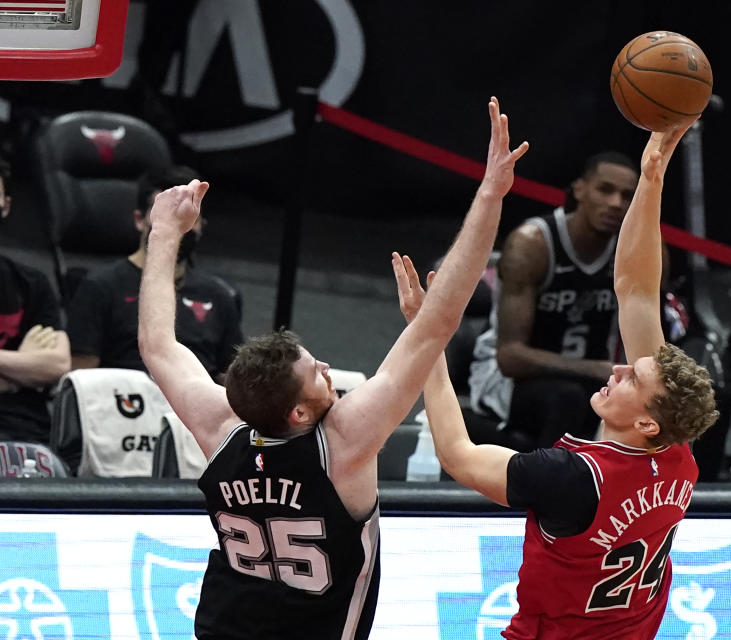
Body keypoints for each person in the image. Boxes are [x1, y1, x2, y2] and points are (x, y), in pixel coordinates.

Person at [137, 97, 528, 639]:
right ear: (298, 411)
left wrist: (162, 233)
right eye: (316, 372)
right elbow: (439, 322)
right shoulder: (342, 445)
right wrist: (489, 196)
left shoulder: (221, 431)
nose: (326, 366)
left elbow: (158, 345)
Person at [394, 124, 718, 639]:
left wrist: (427, 338)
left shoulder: (568, 477)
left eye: (633, 376)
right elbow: (636, 288)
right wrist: (652, 177)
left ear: (645, 421)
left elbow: (456, 454)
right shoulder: (679, 453)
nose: (617, 367)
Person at [468, 152, 639, 447]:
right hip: (505, 382)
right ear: (580, 190)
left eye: (626, 196)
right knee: (568, 398)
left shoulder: (635, 252)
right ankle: (549, 490)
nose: (615, 203)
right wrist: (596, 369)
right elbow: (510, 357)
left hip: (593, 379)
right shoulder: (532, 244)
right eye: (605, 190)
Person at [67, 165, 243, 381]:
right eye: (167, 215)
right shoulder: (100, 287)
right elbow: (81, 379)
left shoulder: (219, 296)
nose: (179, 226)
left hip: (194, 406)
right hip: (124, 403)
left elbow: (233, 379)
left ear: (201, 225)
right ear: (139, 220)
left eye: (189, 217)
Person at [0, 157, 71, 444]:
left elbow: (58, 364)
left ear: (5, 204)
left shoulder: (31, 282)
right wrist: (18, 372)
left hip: (26, 434)